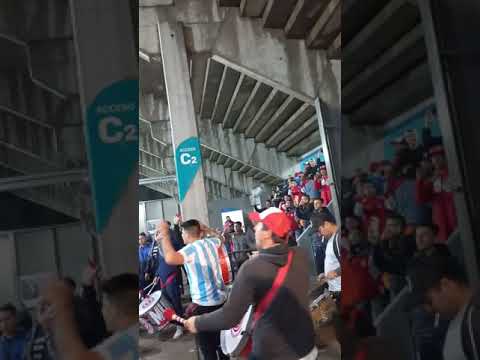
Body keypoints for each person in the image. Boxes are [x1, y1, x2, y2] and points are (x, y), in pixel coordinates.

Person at [184, 207, 317, 360]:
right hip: (307, 348)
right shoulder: (301, 255)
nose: (254, 228)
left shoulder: (252, 268)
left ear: (267, 233)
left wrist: (197, 322)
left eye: (258, 224)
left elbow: (229, 317)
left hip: (272, 353)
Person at [157, 219, 228, 360]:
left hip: (202, 306)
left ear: (187, 233)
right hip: (221, 302)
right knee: (222, 345)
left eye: (182, 232)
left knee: (208, 349)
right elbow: (222, 238)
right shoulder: (212, 243)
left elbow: (170, 258)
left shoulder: (190, 250)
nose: (181, 235)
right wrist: (207, 230)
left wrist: (165, 233)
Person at [41, 273, 138, 360]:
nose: (102, 311)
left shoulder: (131, 339)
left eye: (104, 305)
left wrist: (61, 307)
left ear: (113, 309)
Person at [407, 254, 479, 360]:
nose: (428, 309)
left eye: (429, 301)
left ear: (445, 285)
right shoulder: (457, 318)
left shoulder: (475, 319)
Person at [151, 226, 185, 340]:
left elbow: (179, 245)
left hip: (171, 277)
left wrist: (174, 228)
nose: (158, 234)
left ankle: (180, 327)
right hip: (162, 278)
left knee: (176, 303)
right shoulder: (157, 246)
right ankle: (176, 323)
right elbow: (158, 263)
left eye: (160, 232)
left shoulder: (172, 244)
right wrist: (156, 275)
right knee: (168, 305)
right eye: (157, 233)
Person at [317, 211, 341, 300]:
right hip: (336, 289)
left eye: (319, 230)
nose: (319, 234)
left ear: (326, 224)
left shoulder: (339, 237)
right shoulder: (332, 239)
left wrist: (336, 272)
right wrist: (326, 274)